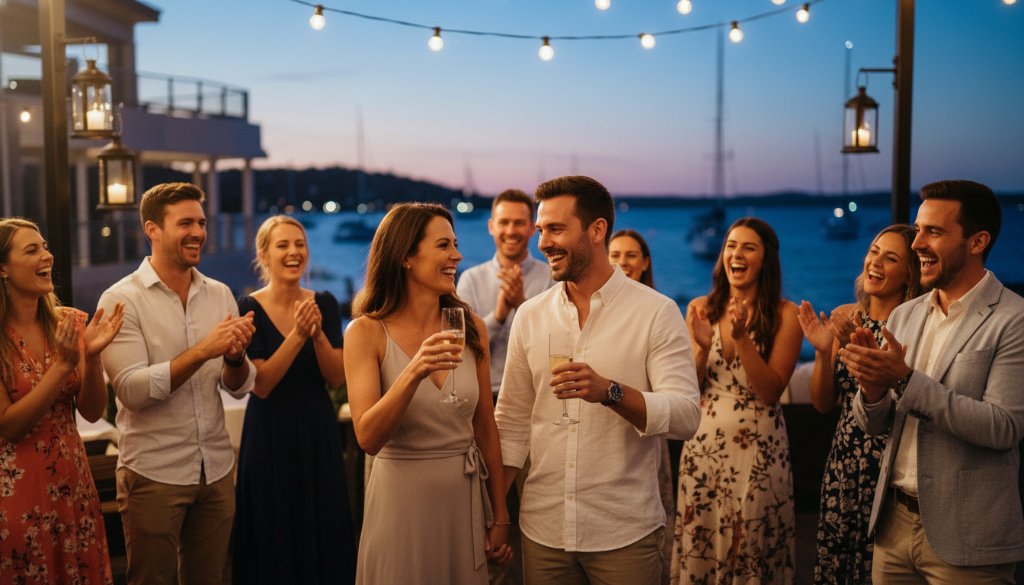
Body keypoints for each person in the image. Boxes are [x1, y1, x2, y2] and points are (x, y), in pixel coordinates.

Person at [495, 175, 702, 585]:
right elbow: (512, 422)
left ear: (597, 230)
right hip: (542, 528)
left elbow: (685, 416)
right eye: (541, 230)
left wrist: (610, 392)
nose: (542, 243)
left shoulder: (656, 313)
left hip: (623, 531)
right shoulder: (530, 316)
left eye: (556, 229)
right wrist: (496, 513)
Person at [842, 180, 1024, 583]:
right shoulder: (905, 315)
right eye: (918, 229)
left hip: (969, 537)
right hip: (893, 526)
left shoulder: (1014, 319)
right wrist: (872, 389)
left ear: (977, 242)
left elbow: (1003, 427)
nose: (916, 243)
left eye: (933, 232)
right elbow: (875, 425)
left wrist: (903, 380)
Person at [97, 182, 256, 585]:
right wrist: (204, 350)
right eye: (186, 222)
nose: (199, 232)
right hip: (153, 474)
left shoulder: (220, 294)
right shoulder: (120, 301)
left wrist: (235, 358)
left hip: (216, 470)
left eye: (201, 222)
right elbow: (131, 392)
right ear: (152, 229)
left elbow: (238, 387)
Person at [345, 203, 511, 585]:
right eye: (443, 245)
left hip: (463, 502)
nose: (457, 255)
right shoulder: (365, 333)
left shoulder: (470, 326)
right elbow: (368, 437)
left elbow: (486, 427)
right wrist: (414, 370)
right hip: (400, 506)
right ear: (405, 256)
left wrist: (499, 515)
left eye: (455, 243)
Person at [672, 217, 803, 584]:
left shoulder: (785, 314)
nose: (737, 254)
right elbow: (689, 389)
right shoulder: (700, 307)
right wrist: (700, 349)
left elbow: (771, 391)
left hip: (759, 455)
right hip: (703, 452)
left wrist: (742, 338)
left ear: (766, 260)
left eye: (749, 247)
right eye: (731, 246)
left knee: (753, 553)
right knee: (702, 547)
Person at [231, 215, 356, 584]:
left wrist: (317, 335)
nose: (293, 252)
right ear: (263, 255)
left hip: (317, 429)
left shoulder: (326, 303)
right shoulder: (248, 307)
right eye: (283, 245)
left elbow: (336, 377)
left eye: (299, 244)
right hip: (269, 433)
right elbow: (263, 383)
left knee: (322, 522)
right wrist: (299, 335)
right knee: (273, 527)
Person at [0, 218, 123, 585]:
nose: (48, 256)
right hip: (16, 490)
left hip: (73, 482)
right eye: (32, 250)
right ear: (3, 269)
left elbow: (90, 410)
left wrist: (94, 355)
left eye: (46, 246)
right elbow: (9, 426)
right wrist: (65, 365)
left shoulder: (68, 323)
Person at [798, 224, 922, 584]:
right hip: (844, 460)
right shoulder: (846, 315)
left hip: (889, 463)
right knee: (839, 562)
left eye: (891, 257)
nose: (876, 262)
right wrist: (823, 351)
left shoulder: (912, 327)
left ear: (909, 274)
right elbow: (823, 403)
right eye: (873, 251)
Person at [608, 228, 673, 585]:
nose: (622, 262)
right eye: (615, 254)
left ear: (645, 262)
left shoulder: (658, 312)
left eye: (631, 255)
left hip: (644, 427)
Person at [457, 188, 554, 399]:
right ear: (491, 226)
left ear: (532, 228)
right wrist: (499, 315)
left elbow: (557, 344)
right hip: (481, 396)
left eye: (519, 223)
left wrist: (521, 305)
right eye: (504, 222)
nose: (511, 231)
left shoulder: (551, 277)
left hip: (536, 395)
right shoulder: (470, 279)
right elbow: (462, 349)